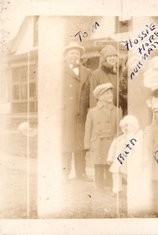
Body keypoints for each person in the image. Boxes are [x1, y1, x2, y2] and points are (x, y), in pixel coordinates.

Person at [107, 115, 150, 217]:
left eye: (129, 126)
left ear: (135, 127)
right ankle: (116, 189)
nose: (126, 128)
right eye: (124, 126)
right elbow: (113, 148)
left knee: (133, 178)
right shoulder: (119, 138)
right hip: (120, 160)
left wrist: (144, 159)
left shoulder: (139, 138)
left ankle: (134, 193)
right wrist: (110, 158)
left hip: (133, 162)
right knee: (116, 173)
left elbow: (144, 149)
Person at [62, 41, 92, 182]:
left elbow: (91, 94)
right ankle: (64, 173)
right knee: (66, 144)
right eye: (72, 53)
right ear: (66, 56)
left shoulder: (87, 72)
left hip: (82, 113)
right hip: (66, 113)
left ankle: (81, 173)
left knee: (80, 144)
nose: (75, 55)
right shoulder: (58, 71)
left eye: (77, 53)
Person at [84, 83, 122, 191]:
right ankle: (99, 185)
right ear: (100, 97)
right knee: (99, 165)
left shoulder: (117, 111)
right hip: (97, 142)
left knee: (110, 164)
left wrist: (119, 142)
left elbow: (120, 129)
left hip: (111, 141)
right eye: (106, 94)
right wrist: (87, 145)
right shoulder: (92, 112)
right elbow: (88, 129)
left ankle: (110, 184)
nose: (110, 95)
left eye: (111, 93)